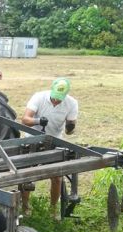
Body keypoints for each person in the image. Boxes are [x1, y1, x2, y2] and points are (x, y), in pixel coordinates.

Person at [20, 78, 78, 220]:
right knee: (26, 176)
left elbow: (70, 130)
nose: (57, 101)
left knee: (57, 177)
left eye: (60, 99)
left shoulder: (72, 103)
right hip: (32, 139)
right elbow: (25, 119)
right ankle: (25, 206)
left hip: (54, 140)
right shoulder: (39, 97)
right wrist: (38, 121)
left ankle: (53, 209)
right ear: (51, 90)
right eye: (55, 98)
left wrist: (70, 128)